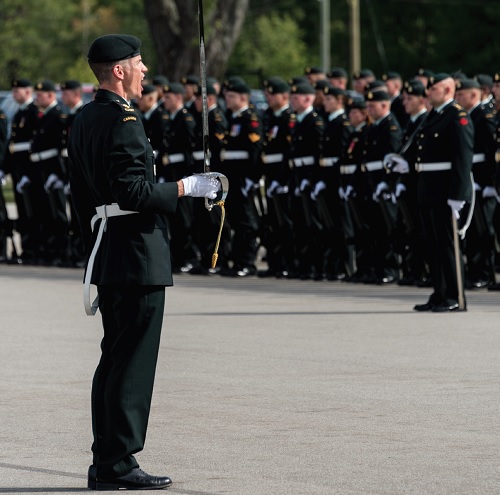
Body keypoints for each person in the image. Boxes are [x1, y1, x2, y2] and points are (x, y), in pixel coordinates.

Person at [68, 34, 220, 490]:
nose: (144, 70)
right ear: (118, 70)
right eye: (138, 62)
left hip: (109, 248)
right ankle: (118, 462)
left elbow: (81, 192)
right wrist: (187, 187)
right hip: (136, 253)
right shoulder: (124, 120)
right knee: (131, 362)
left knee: (114, 358)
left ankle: (106, 457)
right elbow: (132, 192)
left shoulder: (84, 117)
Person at [412, 73, 474, 312]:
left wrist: (458, 195)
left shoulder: (457, 116)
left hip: (446, 190)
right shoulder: (434, 116)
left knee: (448, 245)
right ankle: (439, 293)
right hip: (428, 187)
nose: (428, 92)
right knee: (432, 244)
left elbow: (462, 159)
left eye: (433, 88)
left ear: (448, 90)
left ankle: (454, 296)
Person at [454, 78, 497, 288]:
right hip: (472, 180)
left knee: (484, 230)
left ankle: (485, 272)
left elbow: (491, 153)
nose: (457, 98)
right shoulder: (469, 115)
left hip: (482, 181)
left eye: (461, 94)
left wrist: (488, 182)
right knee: (471, 230)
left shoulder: (484, 116)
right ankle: (475, 271)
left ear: (474, 95)